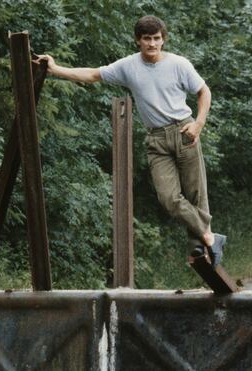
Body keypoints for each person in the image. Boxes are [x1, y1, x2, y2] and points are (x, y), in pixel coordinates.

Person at [38, 15, 227, 266]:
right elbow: (93, 75)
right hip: (156, 139)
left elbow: (204, 91)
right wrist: (55, 69)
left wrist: (199, 124)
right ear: (138, 40)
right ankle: (209, 236)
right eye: (147, 39)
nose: (152, 44)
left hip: (184, 131)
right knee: (169, 198)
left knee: (195, 194)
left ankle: (199, 249)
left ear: (163, 39)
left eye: (157, 38)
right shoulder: (128, 66)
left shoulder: (179, 64)